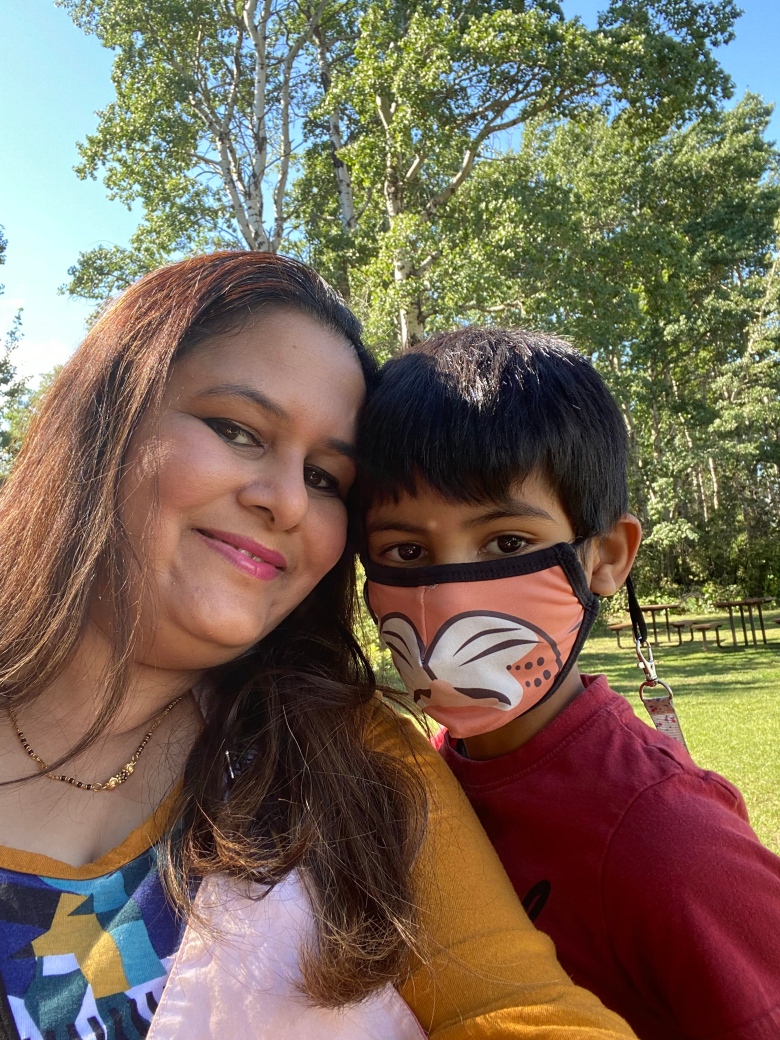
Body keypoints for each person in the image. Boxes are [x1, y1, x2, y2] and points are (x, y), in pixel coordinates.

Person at [0, 256, 635, 1040]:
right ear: (103, 422)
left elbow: (522, 1010)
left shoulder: (353, 762)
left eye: (328, 477)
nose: (289, 501)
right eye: (238, 431)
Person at [359, 326, 780, 1040]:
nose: (447, 598)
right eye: (406, 550)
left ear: (608, 557)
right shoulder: (424, 774)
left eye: (508, 544)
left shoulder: (668, 839)